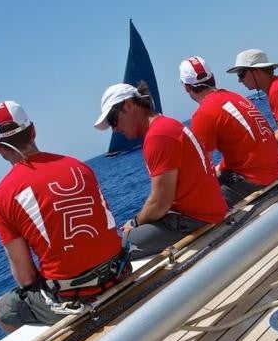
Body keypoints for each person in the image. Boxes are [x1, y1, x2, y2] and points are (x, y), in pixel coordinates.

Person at [0, 100, 127, 332]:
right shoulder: (77, 165)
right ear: (33, 130)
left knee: (1, 311)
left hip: (73, 296)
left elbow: (26, 277)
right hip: (119, 271)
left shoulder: (0, 198)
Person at [95, 82, 227, 259]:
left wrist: (134, 222)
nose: (114, 129)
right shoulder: (167, 124)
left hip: (197, 218)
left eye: (113, 120)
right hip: (211, 208)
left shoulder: (157, 136)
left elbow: (160, 204)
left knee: (120, 246)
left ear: (128, 105)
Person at [179, 56, 278, 204]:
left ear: (187, 87)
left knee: (194, 205)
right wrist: (220, 168)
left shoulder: (203, 114)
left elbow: (202, 170)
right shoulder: (235, 96)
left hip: (255, 181)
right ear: (212, 78)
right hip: (274, 169)